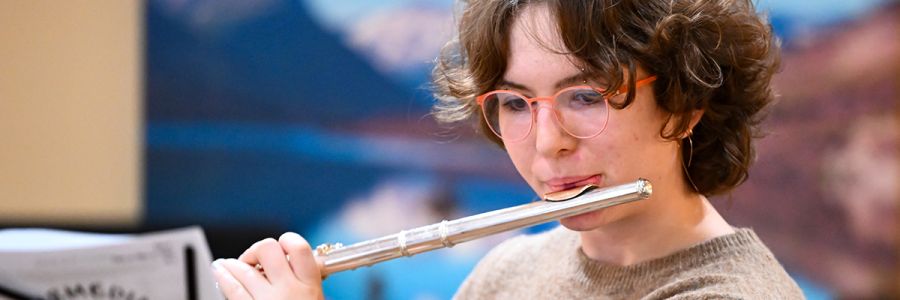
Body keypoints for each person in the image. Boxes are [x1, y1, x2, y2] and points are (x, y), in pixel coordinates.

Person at [210, 0, 804, 298]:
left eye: (586, 97)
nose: (547, 144)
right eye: (517, 104)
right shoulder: (507, 272)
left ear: (685, 102)